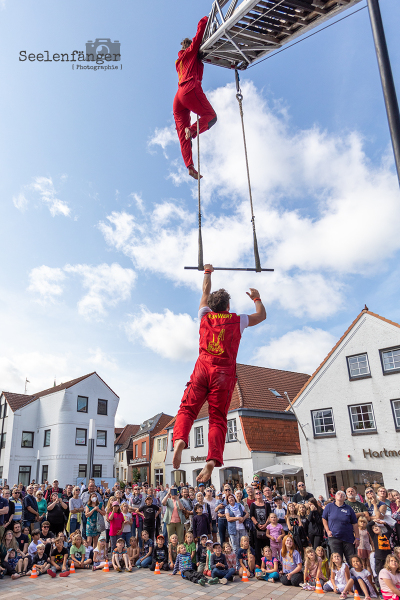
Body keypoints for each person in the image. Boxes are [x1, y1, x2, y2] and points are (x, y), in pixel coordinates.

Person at [172, 268, 266, 483]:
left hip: (202, 368)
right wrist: (256, 298)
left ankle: (179, 440)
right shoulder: (238, 320)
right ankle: (212, 459)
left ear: (211, 306)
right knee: (217, 418)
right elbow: (261, 315)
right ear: (228, 306)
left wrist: (207, 271)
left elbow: (205, 291)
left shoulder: (204, 316)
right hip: (223, 374)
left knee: (187, 409)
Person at [173, 16, 217, 180]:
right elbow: (199, 35)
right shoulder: (191, 52)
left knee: (181, 134)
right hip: (190, 89)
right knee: (211, 117)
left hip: (178, 98)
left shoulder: (179, 62)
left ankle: (189, 166)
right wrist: (206, 18)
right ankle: (191, 130)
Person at [322, 490, 360, 564]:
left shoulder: (349, 508)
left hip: (348, 538)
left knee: (351, 560)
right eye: (338, 494)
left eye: (342, 494)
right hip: (334, 537)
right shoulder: (329, 506)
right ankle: (338, 575)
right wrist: (327, 530)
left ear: (345, 498)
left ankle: (352, 574)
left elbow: (355, 523)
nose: (340, 495)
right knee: (337, 560)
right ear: (335, 496)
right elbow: (324, 519)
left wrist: (357, 538)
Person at [250, 488, 271, 566]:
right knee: (258, 548)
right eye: (256, 493)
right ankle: (259, 563)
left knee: (266, 547)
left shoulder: (267, 504)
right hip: (257, 529)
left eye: (259, 493)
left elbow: (269, 515)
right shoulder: (253, 504)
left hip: (266, 528)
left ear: (262, 494)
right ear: (255, 496)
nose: (258, 494)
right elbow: (251, 516)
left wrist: (265, 524)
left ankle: (268, 563)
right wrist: (257, 524)